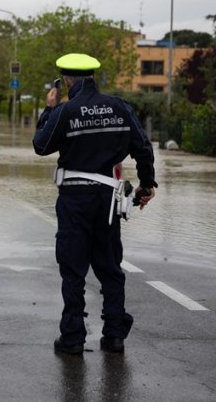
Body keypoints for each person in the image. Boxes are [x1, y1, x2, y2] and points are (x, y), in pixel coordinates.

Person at [32, 53, 157, 356]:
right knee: (110, 265)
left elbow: (41, 145)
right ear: (94, 77)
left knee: (73, 267)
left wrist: (48, 110)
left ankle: (73, 336)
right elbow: (143, 147)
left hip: (75, 199)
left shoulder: (66, 110)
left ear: (66, 80)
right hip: (108, 199)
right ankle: (114, 335)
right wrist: (147, 184)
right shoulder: (120, 107)